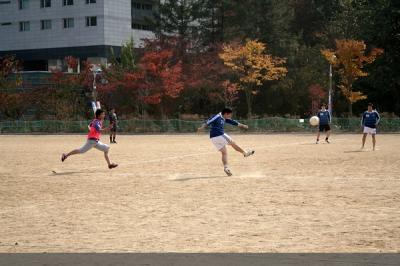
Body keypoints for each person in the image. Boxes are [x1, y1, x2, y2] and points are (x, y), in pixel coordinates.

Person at [197, 107, 255, 176]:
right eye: (229, 115)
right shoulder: (217, 116)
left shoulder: (224, 117)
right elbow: (208, 122)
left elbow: (232, 122)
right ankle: (245, 153)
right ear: (226, 113)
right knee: (233, 143)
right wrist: (201, 128)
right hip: (219, 134)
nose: (230, 116)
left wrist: (242, 125)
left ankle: (226, 168)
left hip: (213, 138)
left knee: (224, 152)